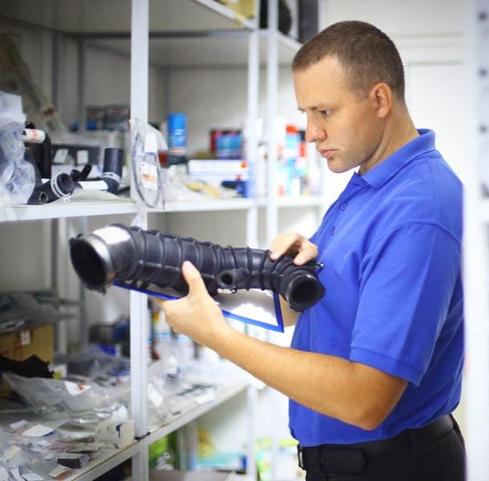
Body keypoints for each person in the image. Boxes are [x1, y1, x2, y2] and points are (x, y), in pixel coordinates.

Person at [158, 20, 465, 481]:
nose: (311, 132)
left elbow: (365, 400)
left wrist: (218, 337)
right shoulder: (369, 183)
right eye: (306, 113)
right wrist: (280, 280)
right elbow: (319, 308)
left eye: (325, 112)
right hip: (349, 462)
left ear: (379, 99)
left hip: (391, 466)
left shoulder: (419, 207)